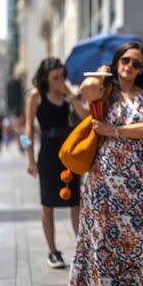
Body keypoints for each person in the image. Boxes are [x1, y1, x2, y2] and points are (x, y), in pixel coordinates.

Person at [69, 41, 143, 286]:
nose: (130, 67)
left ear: (142, 69)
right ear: (117, 62)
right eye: (125, 61)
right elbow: (86, 87)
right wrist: (102, 72)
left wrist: (115, 131)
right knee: (105, 241)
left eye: (136, 64)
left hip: (141, 177)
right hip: (104, 180)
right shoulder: (105, 91)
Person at [24, 58, 87, 269]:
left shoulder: (69, 95)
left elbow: (85, 117)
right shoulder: (36, 95)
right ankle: (52, 251)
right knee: (48, 204)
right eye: (55, 77)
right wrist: (30, 159)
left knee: (76, 202)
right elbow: (27, 131)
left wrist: (72, 98)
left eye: (62, 76)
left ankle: (81, 250)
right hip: (48, 152)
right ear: (45, 78)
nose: (60, 80)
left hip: (68, 152)